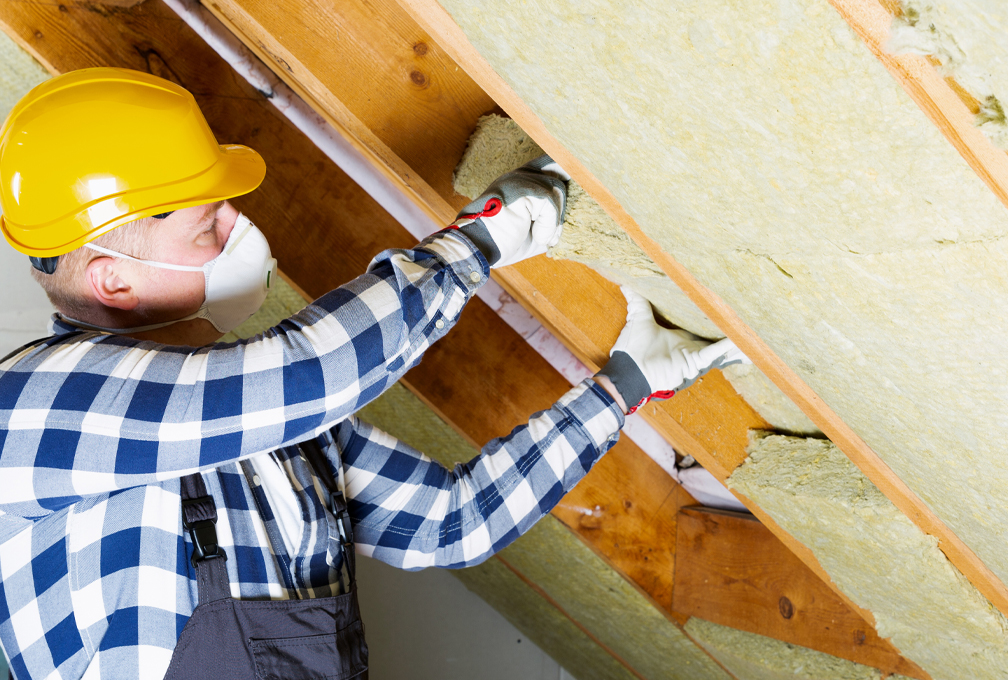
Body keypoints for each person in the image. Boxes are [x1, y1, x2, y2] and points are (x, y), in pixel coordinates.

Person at [0, 68, 747, 680]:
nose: (240, 229)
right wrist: (479, 241)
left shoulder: (270, 430)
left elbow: (452, 522)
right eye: (209, 225)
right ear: (115, 283)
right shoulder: (28, 409)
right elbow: (313, 374)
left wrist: (623, 387)